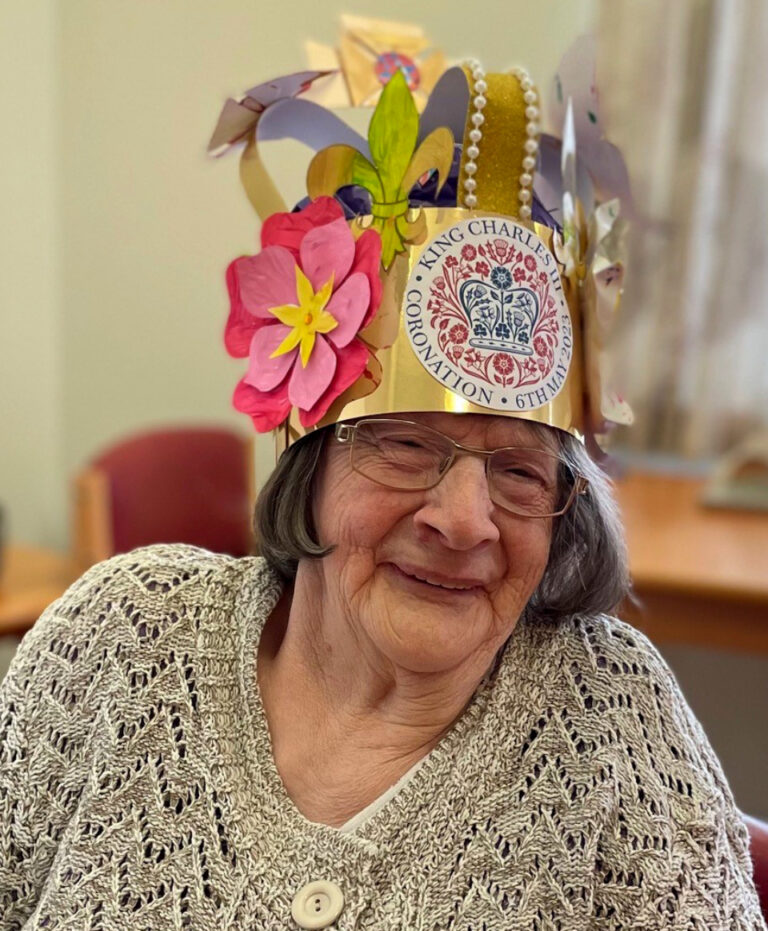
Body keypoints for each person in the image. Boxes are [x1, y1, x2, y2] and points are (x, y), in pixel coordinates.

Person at [1, 48, 765, 931]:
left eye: (520, 471)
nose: (465, 520)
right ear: (312, 459)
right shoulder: (115, 636)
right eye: (406, 445)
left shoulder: (618, 722)